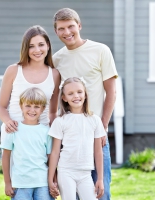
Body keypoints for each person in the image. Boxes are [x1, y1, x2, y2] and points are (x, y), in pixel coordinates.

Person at [52, 8, 118, 200]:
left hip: (96, 134)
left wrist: (103, 125)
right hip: (70, 137)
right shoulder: (56, 59)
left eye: (71, 26)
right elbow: (56, 95)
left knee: (100, 191)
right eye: (61, 28)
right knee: (74, 193)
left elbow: (111, 91)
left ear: (79, 26)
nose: (67, 32)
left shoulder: (100, 50)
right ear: (56, 32)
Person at [0, 25, 60, 139]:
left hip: (41, 136)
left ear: (48, 45)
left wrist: (54, 137)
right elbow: (1, 107)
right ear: (26, 48)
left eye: (41, 45)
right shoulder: (13, 70)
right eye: (31, 46)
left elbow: (52, 113)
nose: (37, 50)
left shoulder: (55, 74)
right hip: (14, 134)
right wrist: (8, 122)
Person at [48, 77, 105, 200]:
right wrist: (50, 178)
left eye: (79, 92)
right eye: (70, 93)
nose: (76, 96)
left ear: (85, 94)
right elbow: (55, 152)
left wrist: (100, 179)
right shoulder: (60, 121)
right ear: (64, 98)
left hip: (85, 173)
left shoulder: (95, 120)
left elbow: (98, 152)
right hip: (66, 171)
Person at [0, 87, 54, 200]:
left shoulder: (47, 132)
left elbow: (50, 158)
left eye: (37, 106)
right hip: (20, 183)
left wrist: (53, 180)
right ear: (21, 106)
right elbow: (5, 156)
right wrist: (7, 183)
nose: (32, 110)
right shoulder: (13, 129)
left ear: (43, 108)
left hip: (42, 183)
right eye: (28, 105)